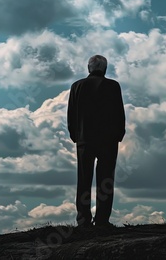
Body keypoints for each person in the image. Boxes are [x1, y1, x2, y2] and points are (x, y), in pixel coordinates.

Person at [67, 54, 125, 228]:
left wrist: (75, 135)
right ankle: (102, 220)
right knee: (106, 180)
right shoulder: (113, 86)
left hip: (84, 139)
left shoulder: (77, 86)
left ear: (88, 68)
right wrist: (118, 135)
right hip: (108, 140)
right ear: (104, 69)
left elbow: (71, 115)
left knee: (84, 180)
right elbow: (119, 113)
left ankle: (83, 219)